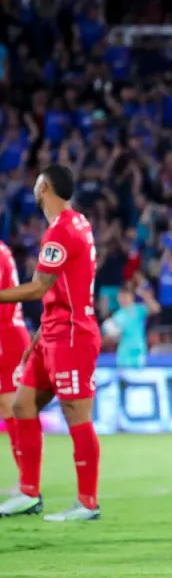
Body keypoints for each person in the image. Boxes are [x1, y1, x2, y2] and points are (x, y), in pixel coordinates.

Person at [0, 164, 103, 521]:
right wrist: (42, 332)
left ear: (43, 186)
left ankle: (88, 502)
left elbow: (38, 287)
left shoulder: (60, 232)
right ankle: (29, 494)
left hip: (72, 335)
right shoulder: (78, 223)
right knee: (22, 405)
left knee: (76, 413)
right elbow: (63, 286)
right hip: (54, 331)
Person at [0, 240, 31, 492]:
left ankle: (27, 479)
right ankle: (24, 478)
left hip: (6, 336)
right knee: (7, 407)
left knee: (12, 405)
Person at [104, 282, 161, 368]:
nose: (123, 299)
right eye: (120, 296)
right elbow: (114, 336)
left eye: (125, 296)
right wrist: (112, 336)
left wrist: (144, 295)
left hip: (138, 351)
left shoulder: (139, 310)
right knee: (124, 379)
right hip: (124, 353)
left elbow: (156, 309)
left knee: (138, 379)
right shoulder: (117, 315)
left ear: (131, 297)